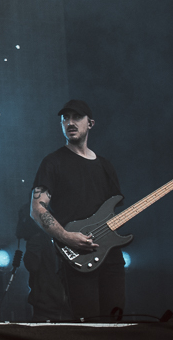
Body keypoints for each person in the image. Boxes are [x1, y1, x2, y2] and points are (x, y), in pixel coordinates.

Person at [29, 100, 125, 320]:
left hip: (111, 257)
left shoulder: (105, 166)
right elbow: (36, 209)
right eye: (65, 118)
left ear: (90, 123)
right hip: (76, 258)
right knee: (87, 326)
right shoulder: (52, 162)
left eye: (76, 117)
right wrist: (66, 237)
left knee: (116, 324)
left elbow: (114, 212)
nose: (70, 122)